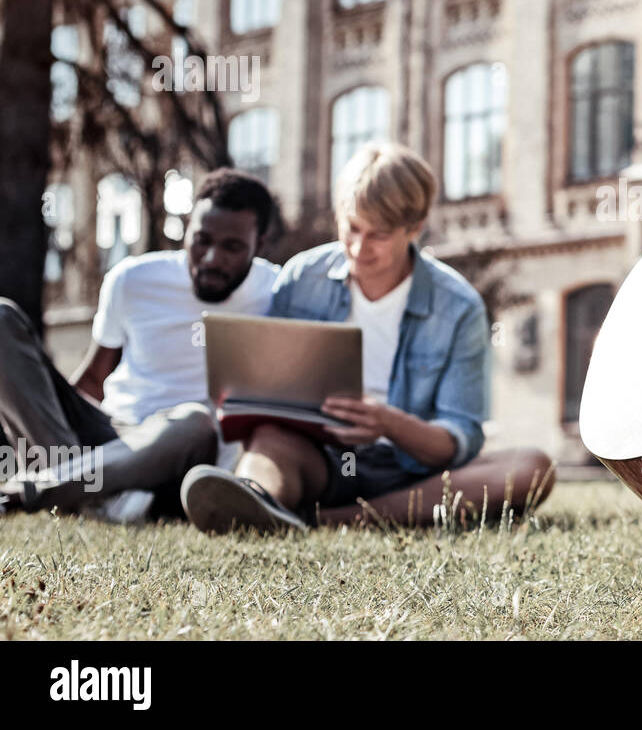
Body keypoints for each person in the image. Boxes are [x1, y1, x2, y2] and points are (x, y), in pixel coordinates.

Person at [180, 142, 555, 532]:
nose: (358, 248)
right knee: (269, 442)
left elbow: (460, 437)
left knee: (532, 468)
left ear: (415, 227)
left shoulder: (458, 307)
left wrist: (389, 424)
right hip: (321, 458)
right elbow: (269, 390)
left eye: (378, 235)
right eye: (351, 228)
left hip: (413, 473)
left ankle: (327, 518)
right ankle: (256, 496)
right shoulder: (301, 279)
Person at [0, 168, 280, 521]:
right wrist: (47, 419)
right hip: (110, 434)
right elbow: (93, 379)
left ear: (261, 244)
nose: (212, 257)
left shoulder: (277, 292)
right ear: (186, 228)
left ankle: (30, 492)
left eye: (232, 247)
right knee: (1, 319)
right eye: (202, 240)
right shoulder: (133, 279)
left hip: (182, 451)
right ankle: (96, 494)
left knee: (195, 419)